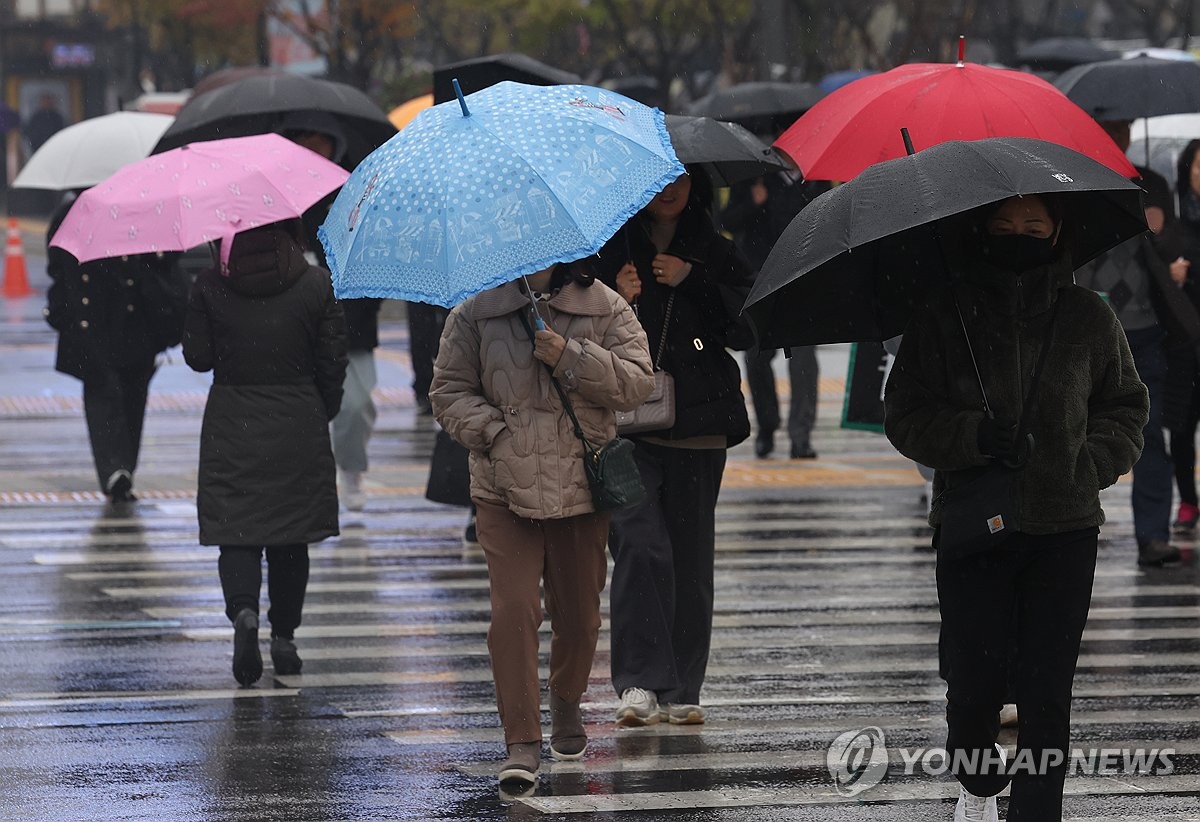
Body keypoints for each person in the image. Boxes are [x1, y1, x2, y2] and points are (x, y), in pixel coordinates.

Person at [884, 194, 1148, 822]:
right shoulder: (944, 314)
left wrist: (1090, 465)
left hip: (1065, 527)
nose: (1019, 235)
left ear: (1058, 233)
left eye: (1034, 226)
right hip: (974, 523)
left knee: (1047, 690)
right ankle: (976, 782)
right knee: (973, 686)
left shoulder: (1088, 316)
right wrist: (971, 435)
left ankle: (1036, 811)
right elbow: (906, 416)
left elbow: (1126, 406)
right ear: (981, 231)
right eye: (1005, 226)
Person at [429, 260, 653, 791]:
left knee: (579, 616)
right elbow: (448, 393)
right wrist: (497, 435)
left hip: (580, 485)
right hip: (502, 488)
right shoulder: (475, 311)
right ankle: (522, 738)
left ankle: (568, 698)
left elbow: (637, 384)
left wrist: (570, 356)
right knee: (514, 610)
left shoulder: (603, 304)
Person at [594, 168, 755, 728]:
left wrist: (694, 281)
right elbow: (570, 323)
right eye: (662, 177)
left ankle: (684, 686)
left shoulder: (716, 251)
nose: (671, 188)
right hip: (624, 426)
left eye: (684, 179)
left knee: (690, 556)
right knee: (640, 544)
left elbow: (749, 327)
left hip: (699, 425)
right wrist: (614, 295)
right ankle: (638, 679)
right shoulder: (609, 246)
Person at [183, 219, 347, 687]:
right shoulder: (316, 284)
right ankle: (285, 638)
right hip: (298, 416)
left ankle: (244, 615)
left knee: (236, 531)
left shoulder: (212, 283)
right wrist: (320, 409)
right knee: (290, 535)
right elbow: (333, 358)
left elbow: (197, 357)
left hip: (232, 418)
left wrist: (207, 302)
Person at [1076, 121, 1194, 567]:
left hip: (1144, 330)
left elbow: (1172, 244)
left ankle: (1153, 536)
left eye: (1122, 129)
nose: (1116, 136)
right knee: (1076, 432)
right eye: (1107, 129)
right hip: (1087, 328)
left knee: (1149, 433)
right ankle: (1075, 529)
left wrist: (1159, 231)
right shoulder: (1072, 180)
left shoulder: (1151, 183)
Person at [43, 192, 189, 507]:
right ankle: (114, 470)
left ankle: (123, 469)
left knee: (133, 396)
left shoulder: (144, 210)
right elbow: (58, 266)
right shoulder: (74, 213)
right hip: (93, 324)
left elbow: (167, 261)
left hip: (136, 321)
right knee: (103, 392)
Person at [278, 112, 385, 514]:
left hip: (351, 321)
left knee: (355, 405)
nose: (311, 146)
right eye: (303, 136)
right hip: (296, 321)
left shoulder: (354, 190)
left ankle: (352, 468)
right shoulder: (281, 196)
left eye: (318, 138)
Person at [720, 168, 827, 459]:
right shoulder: (754, 177)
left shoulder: (816, 180)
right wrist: (753, 202)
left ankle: (800, 436)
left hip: (802, 280)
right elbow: (726, 220)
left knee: (804, 362)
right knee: (756, 358)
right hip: (760, 281)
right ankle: (767, 426)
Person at [1156, 139, 1200, 536]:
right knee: (1182, 430)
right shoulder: (1174, 227)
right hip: (1186, 346)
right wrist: (1172, 277)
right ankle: (1188, 500)